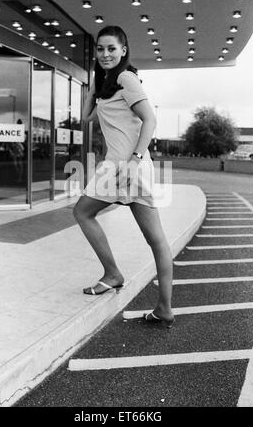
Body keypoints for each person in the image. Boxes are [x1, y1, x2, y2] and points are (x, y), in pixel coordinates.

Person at [73, 26, 174, 328]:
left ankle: (125, 282)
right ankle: (147, 297)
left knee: (151, 238)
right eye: (100, 49)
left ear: (123, 51)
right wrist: (93, 83)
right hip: (118, 166)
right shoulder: (109, 82)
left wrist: (135, 158)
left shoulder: (126, 78)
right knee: (86, 214)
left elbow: (150, 119)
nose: (105, 54)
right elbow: (86, 117)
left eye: (111, 49)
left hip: (127, 165)